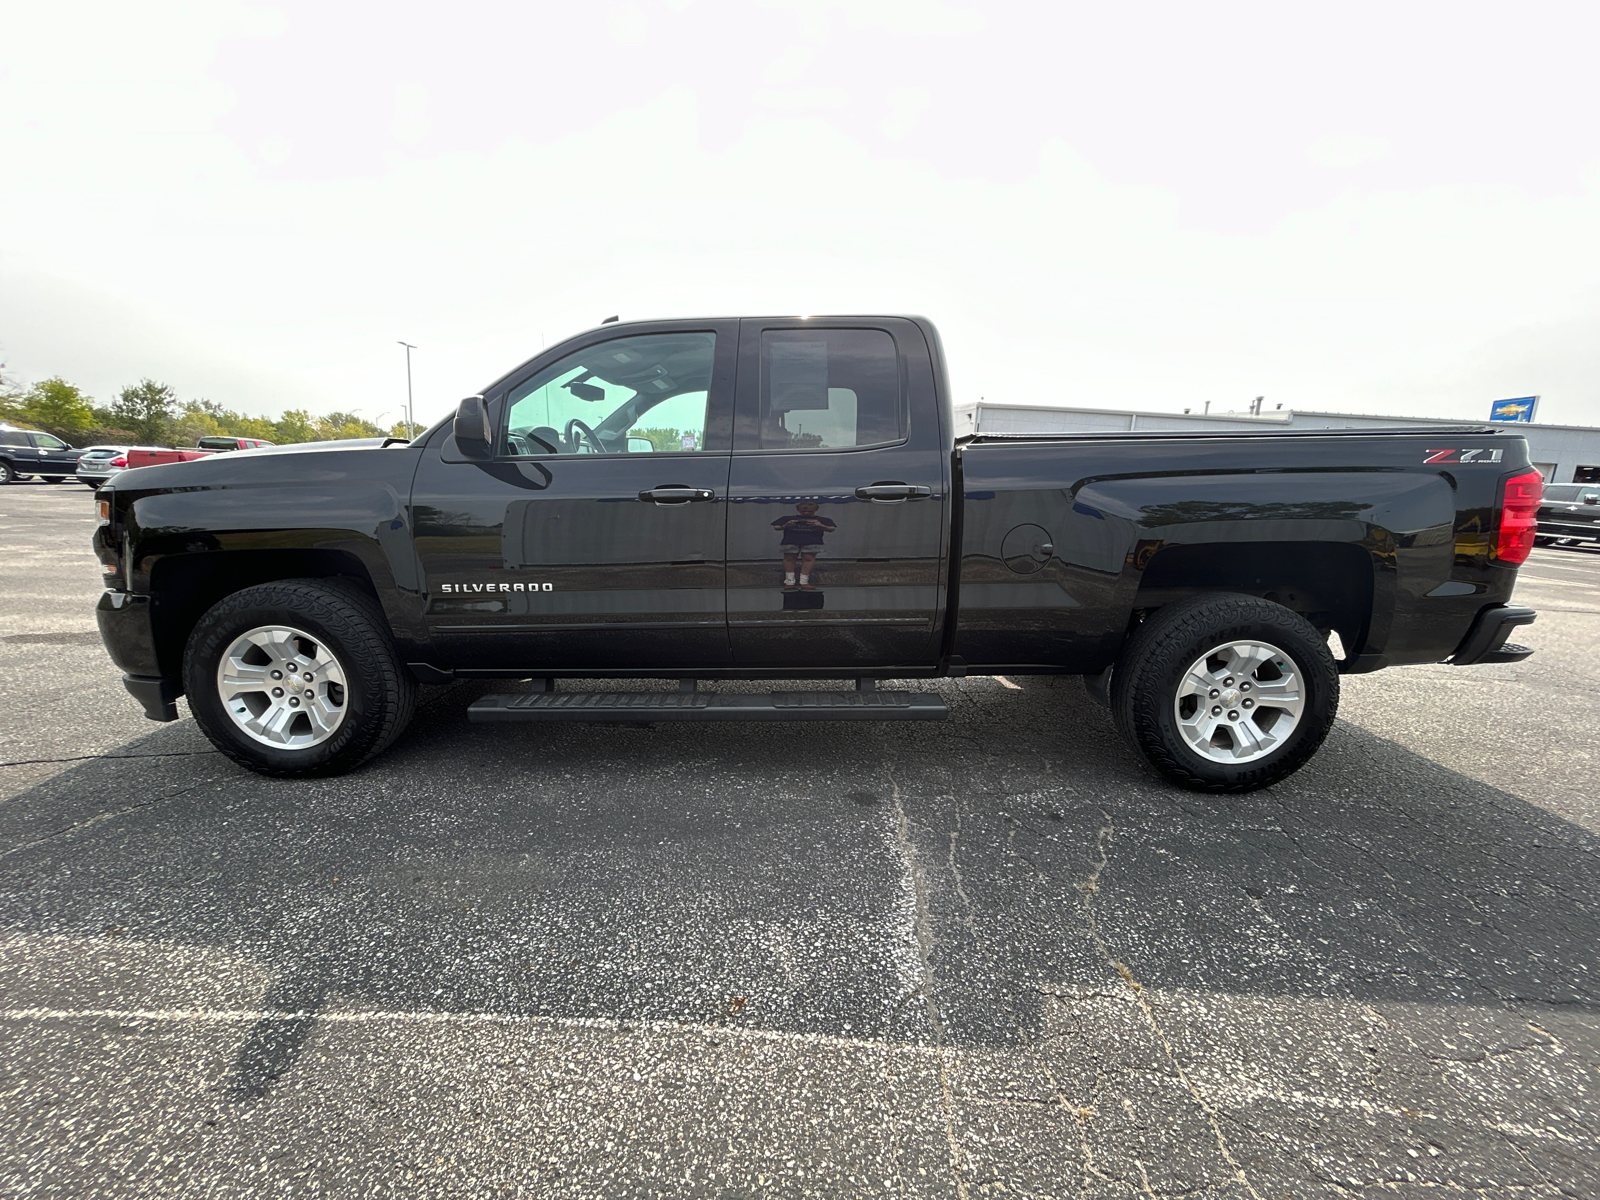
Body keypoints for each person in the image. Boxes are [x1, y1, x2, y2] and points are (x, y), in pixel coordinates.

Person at [771, 501, 836, 591]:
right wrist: (786, 525)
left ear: (816, 509)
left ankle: (804, 581)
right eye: (804, 510)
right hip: (791, 540)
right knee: (789, 558)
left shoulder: (822, 519)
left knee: (809, 558)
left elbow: (832, 528)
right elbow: (776, 527)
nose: (806, 513)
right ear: (798, 509)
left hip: (812, 540)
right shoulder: (788, 518)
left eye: (810, 511)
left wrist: (820, 525)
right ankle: (789, 581)